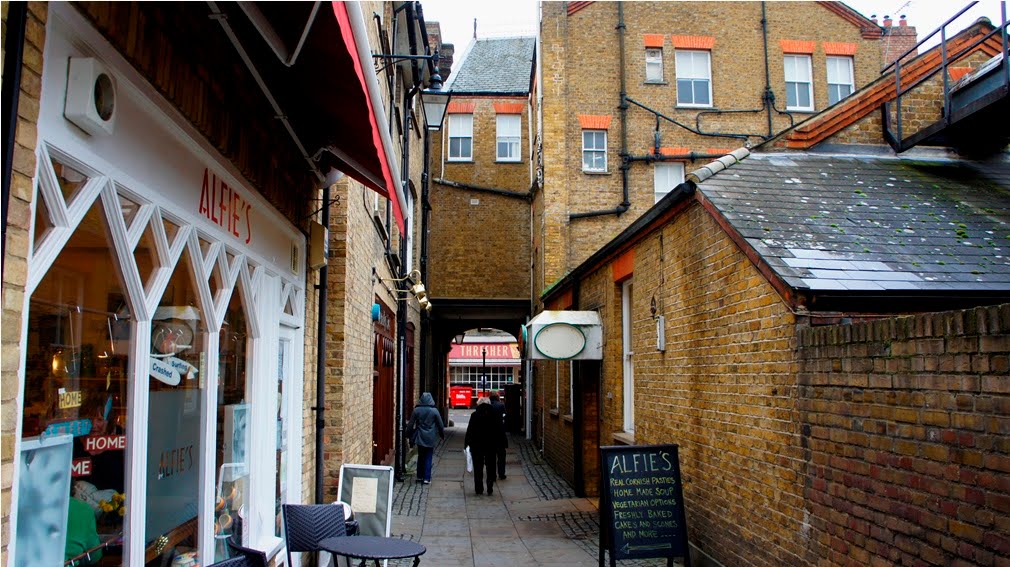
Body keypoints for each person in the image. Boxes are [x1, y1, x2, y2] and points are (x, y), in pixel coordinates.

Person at [465, 397, 505, 496]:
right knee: (491, 466)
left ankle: (479, 488)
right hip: (491, 445)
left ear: (478, 404)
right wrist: (501, 443)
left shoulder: (474, 415)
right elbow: (500, 430)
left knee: (478, 467)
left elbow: (469, 431)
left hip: (476, 445)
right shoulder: (495, 415)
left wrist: (467, 444)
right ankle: (490, 487)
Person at [405, 392, 445, 484]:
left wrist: (408, 434)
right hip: (430, 437)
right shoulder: (434, 411)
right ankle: (427, 478)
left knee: (421, 456)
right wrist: (442, 435)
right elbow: (440, 425)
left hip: (420, 437)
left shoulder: (416, 410)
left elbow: (410, 424)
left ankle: (419, 476)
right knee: (428, 457)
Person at [488, 391, 508, 480]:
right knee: (501, 455)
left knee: (491, 455)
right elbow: (505, 416)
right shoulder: (501, 405)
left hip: (490, 434)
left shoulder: (487, 406)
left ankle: (492, 474)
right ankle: (501, 473)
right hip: (500, 433)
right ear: (497, 397)